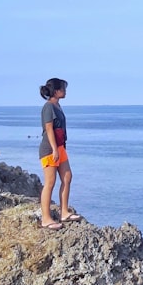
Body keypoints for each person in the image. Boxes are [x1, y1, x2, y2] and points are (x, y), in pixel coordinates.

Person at [38, 77, 83, 229]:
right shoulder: (48, 107)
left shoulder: (57, 106)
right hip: (50, 149)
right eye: (63, 88)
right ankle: (46, 219)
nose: (65, 91)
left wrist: (61, 148)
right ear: (56, 91)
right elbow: (49, 129)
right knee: (50, 182)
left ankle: (64, 212)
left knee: (67, 177)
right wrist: (55, 149)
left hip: (60, 147)